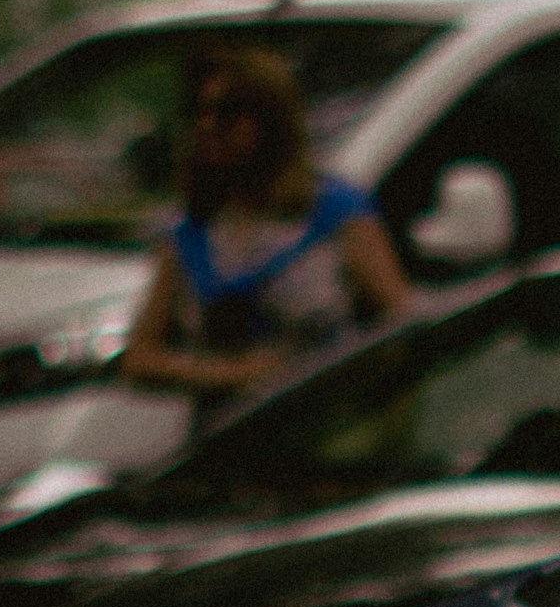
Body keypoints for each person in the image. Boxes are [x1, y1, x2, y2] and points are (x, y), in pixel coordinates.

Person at [118, 43, 410, 412]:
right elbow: (139, 360)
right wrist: (231, 373)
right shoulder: (190, 235)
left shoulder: (335, 214)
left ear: (271, 120)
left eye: (229, 112)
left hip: (333, 424)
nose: (209, 126)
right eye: (199, 112)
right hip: (234, 432)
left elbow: (401, 326)